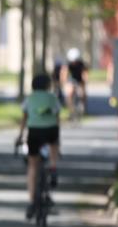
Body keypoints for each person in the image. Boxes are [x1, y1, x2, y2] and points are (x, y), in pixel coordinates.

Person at [16, 73, 62, 218]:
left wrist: (19, 136)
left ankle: (31, 201)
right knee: (54, 144)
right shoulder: (53, 98)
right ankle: (53, 167)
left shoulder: (29, 99)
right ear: (48, 85)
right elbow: (57, 117)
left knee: (32, 165)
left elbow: (24, 119)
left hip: (34, 132)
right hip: (50, 130)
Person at [63, 47, 88, 114]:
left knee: (82, 93)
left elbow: (84, 74)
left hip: (79, 80)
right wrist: (64, 83)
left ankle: (83, 107)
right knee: (69, 93)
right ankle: (70, 109)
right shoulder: (67, 64)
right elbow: (64, 73)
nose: (74, 62)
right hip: (70, 80)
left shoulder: (81, 64)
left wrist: (84, 81)